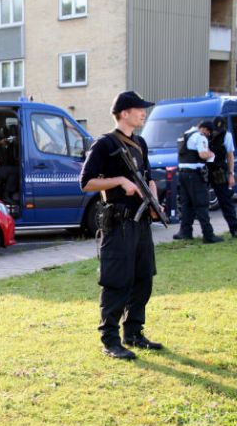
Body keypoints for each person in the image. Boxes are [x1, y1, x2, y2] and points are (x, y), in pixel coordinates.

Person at [80, 91, 163, 360]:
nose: (144, 113)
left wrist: (153, 197)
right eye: (139, 109)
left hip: (140, 223)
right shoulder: (104, 144)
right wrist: (119, 181)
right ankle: (110, 340)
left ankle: (134, 333)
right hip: (118, 225)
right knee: (117, 282)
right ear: (124, 113)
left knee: (143, 279)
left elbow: (148, 176)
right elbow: (86, 182)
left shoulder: (140, 143)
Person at [172, 121, 224, 243]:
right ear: (205, 129)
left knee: (186, 204)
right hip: (195, 175)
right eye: (209, 133)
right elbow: (203, 154)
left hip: (183, 174)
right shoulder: (200, 137)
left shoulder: (184, 134)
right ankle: (208, 234)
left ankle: (185, 232)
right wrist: (212, 154)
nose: (208, 135)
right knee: (202, 204)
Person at [206, 116, 237, 238]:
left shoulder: (227, 136)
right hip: (206, 170)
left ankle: (235, 228)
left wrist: (231, 174)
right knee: (199, 201)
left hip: (219, 172)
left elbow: (230, 156)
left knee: (225, 201)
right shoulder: (206, 134)